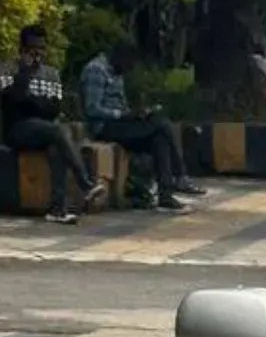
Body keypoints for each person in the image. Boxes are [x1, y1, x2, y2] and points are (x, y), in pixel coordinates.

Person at [0, 26, 107, 225]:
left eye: (41, 48)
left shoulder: (52, 74)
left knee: (57, 145)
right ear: (21, 50)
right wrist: (24, 75)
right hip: (17, 130)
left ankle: (58, 209)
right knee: (58, 130)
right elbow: (11, 103)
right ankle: (86, 184)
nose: (37, 53)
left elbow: (53, 109)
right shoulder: (8, 69)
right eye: (31, 49)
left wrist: (30, 101)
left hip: (46, 131)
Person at [80, 42, 203, 212]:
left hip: (121, 124)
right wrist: (123, 115)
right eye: (128, 64)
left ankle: (165, 195)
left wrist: (136, 113)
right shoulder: (96, 70)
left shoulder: (117, 71)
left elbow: (121, 106)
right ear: (118, 57)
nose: (129, 69)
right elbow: (92, 108)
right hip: (104, 127)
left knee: (159, 139)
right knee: (162, 124)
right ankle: (180, 175)